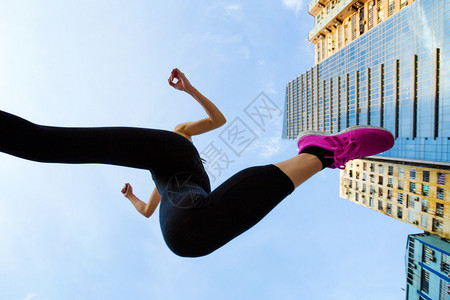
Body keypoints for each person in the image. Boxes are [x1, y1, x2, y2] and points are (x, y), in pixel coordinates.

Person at [0, 68, 394, 257]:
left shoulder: (182, 131)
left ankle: (320, 152)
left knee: (188, 239)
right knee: (44, 143)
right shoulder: (167, 166)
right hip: (175, 175)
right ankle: (321, 153)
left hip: (176, 172)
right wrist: (137, 197)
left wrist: (190, 89)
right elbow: (147, 210)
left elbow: (218, 121)